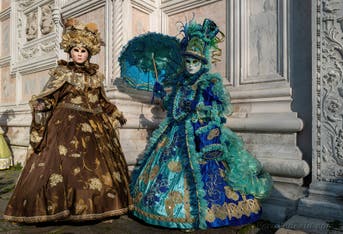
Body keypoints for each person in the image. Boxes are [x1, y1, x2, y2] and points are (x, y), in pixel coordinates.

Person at [130, 18, 272, 230]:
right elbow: (175, 108)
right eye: (187, 61)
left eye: (195, 62)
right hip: (175, 133)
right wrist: (162, 94)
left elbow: (218, 112)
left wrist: (204, 115)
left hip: (199, 135)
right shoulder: (181, 83)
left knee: (208, 174)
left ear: (202, 62)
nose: (190, 66)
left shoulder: (208, 83)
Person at [3, 18, 132, 223]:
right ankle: (61, 209)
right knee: (61, 165)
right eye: (76, 50)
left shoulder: (96, 76)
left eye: (83, 51)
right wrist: (41, 105)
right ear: (69, 52)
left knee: (97, 167)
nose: (79, 54)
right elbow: (49, 96)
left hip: (96, 127)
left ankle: (99, 208)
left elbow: (101, 100)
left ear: (89, 53)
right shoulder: (62, 73)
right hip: (66, 125)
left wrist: (115, 112)